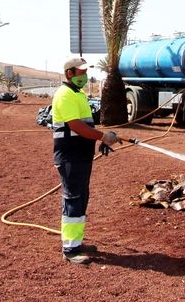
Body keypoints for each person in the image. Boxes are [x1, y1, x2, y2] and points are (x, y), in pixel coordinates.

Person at [52, 56, 122, 264]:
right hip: (69, 157)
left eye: (85, 72)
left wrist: (100, 138)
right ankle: (70, 250)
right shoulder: (65, 95)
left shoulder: (78, 94)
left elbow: (86, 127)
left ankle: (76, 242)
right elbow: (75, 126)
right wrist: (102, 136)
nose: (85, 75)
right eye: (80, 72)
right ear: (69, 73)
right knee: (73, 199)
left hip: (81, 155)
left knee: (81, 197)